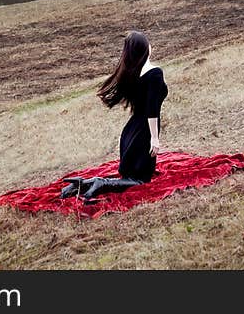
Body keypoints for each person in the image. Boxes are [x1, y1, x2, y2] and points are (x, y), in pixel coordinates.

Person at [60, 30, 169, 202]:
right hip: (143, 134)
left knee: (130, 177)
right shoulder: (155, 73)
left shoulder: (134, 72)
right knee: (139, 181)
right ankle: (100, 183)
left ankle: (81, 184)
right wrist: (154, 138)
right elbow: (151, 110)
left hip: (130, 133)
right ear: (145, 48)